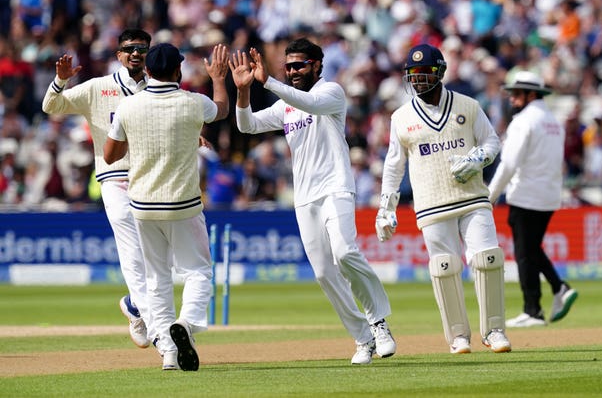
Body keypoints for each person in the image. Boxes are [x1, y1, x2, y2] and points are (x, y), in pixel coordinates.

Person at [228, 38, 396, 365]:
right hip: (305, 198)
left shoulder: (331, 92)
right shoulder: (285, 105)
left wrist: (269, 82)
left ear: (317, 65)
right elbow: (246, 125)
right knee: (322, 273)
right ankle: (363, 338)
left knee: (345, 251)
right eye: (288, 66)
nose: (292, 71)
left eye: (299, 65)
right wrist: (245, 91)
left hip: (336, 186)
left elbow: (311, 105)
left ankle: (378, 322)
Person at [376, 43, 511, 354]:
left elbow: (491, 141)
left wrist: (478, 158)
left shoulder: (467, 106)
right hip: (431, 204)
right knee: (444, 267)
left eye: (425, 73)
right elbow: (394, 165)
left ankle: (494, 330)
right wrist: (386, 207)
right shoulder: (401, 117)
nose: (419, 80)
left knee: (488, 258)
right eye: (414, 74)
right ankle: (458, 337)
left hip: (473, 197)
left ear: (440, 72)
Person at [103, 42, 230, 370]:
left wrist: (138, 139)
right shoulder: (192, 103)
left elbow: (109, 156)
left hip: (143, 206)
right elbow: (222, 110)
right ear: (178, 71)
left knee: (156, 279)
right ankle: (186, 324)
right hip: (183, 204)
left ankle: (170, 355)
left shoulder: (129, 106)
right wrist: (217, 78)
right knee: (199, 271)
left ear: (146, 71)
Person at [41, 29, 154, 348]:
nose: (135, 54)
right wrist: (60, 81)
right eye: (129, 49)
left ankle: (135, 304)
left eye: (142, 49)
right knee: (131, 245)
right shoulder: (98, 88)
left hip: (151, 178)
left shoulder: (158, 88)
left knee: (157, 253)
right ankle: (159, 327)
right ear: (118, 54)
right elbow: (52, 106)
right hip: (114, 176)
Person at [488, 71, 578, 328]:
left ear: (531, 94)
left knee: (525, 254)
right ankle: (559, 288)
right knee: (531, 248)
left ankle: (533, 310)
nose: (513, 99)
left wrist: (490, 196)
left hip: (526, 195)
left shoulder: (523, 121)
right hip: (549, 195)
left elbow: (508, 165)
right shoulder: (553, 121)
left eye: (517, 94)